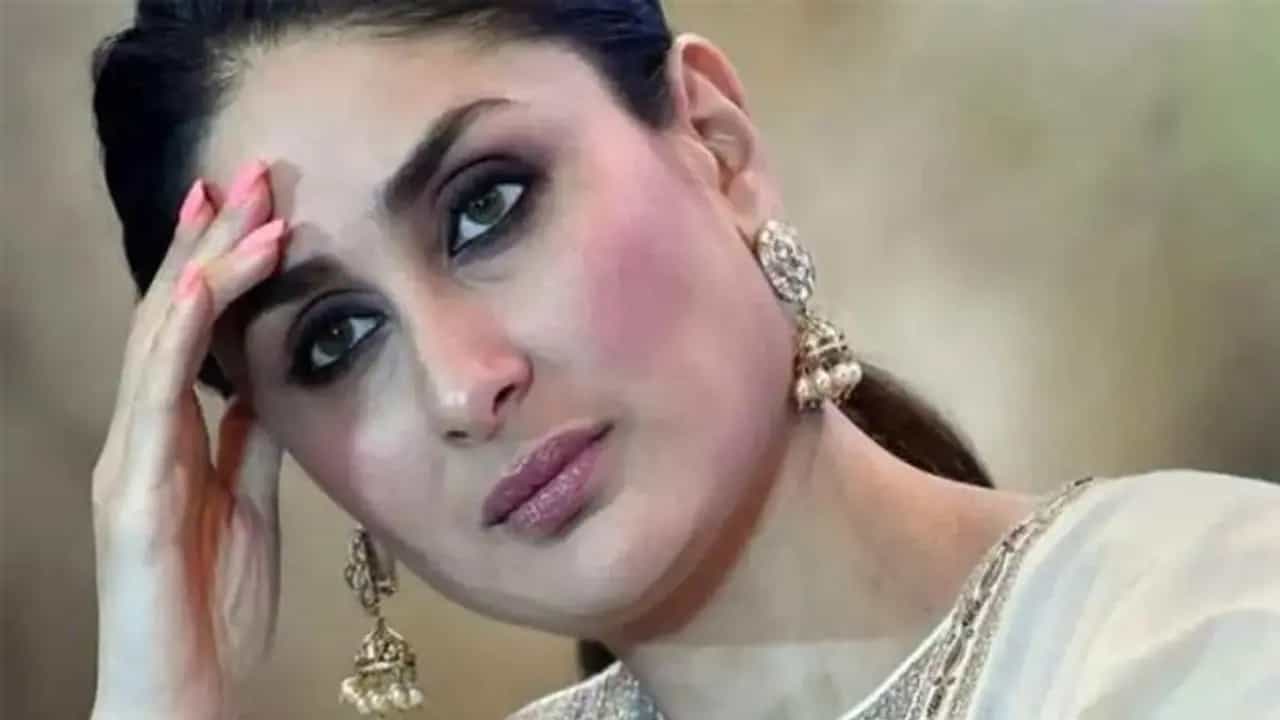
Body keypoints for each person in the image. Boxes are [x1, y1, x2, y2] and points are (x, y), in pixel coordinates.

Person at [87, 1, 1279, 718]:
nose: (460, 384)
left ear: (713, 142)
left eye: (486, 206)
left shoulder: (1213, 629)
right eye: (334, 340)